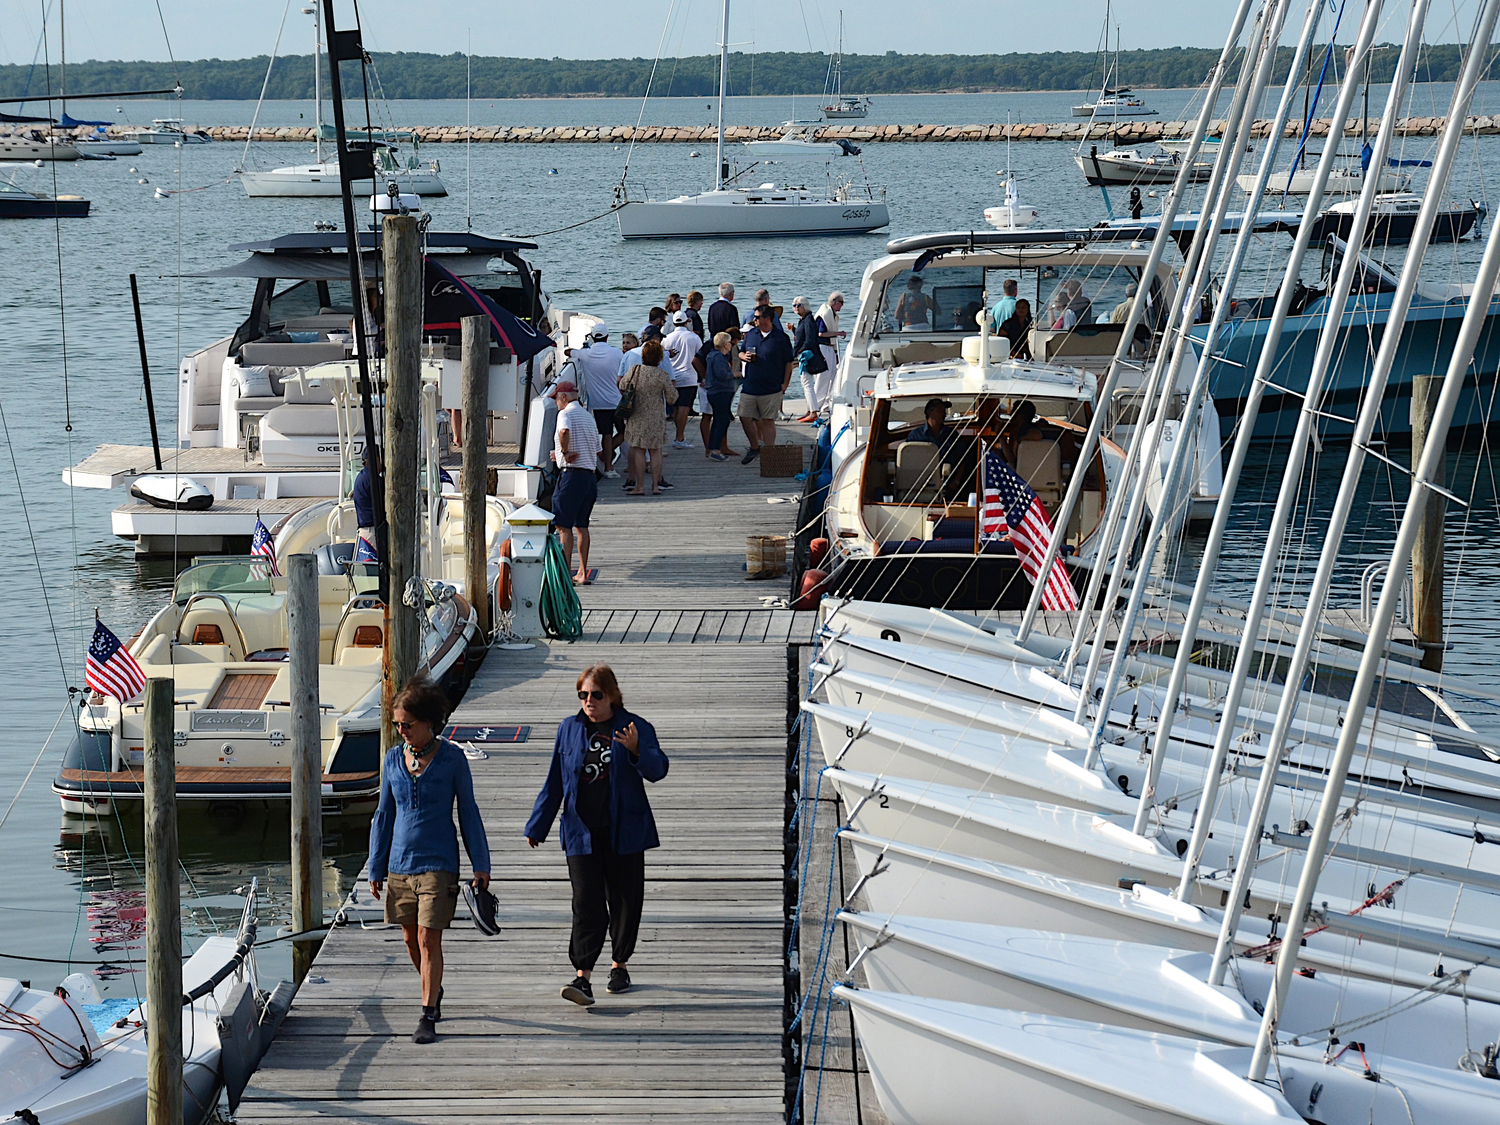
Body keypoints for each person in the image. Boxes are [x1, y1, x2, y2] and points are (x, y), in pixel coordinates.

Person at [526, 664, 669, 1007]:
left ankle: (619, 965)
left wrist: (636, 750)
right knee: (586, 903)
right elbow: (555, 782)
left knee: (625, 901)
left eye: (596, 695)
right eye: (583, 695)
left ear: (612, 696)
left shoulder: (634, 727)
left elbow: (658, 769)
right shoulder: (569, 729)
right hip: (580, 832)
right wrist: (537, 825)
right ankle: (583, 976)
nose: (589, 701)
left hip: (624, 830)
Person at [368, 677, 490, 1045]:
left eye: (408, 724)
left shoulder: (452, 759)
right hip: (399, 865)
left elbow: (468, 811)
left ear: (429, 723)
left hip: (439, 862)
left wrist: (480, 863)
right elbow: (384, 814)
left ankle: (427, 1013)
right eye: (397, 725)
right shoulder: (392, 759)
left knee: (427, 936)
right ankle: (433, 988)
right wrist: (376, 865)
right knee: (409, 938)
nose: (401, 731)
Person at [551, 381, 601, 585]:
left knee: (563, 526)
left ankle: (564, 573)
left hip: (572, 476)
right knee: (582, 526)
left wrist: (563, 452)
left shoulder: (565, 413)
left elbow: (564, 432)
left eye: (555, 398)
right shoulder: (588, 417)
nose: (555, 402)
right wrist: (560, 454)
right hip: (589, 476)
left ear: (563, 397)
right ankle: (581, 572)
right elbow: (597, 449)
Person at [737, 304, 795, 464]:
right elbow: (740, 351)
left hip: (771, 387)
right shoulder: (751, 334)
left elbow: (788, 363)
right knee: (744, 416)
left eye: (757, 317)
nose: (753, 319)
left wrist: (785, 385)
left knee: (768, 420)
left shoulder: (780, 338)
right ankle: (754, 446)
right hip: (750, 385)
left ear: (767, 319)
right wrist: (744, 356)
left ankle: (769, 452)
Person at [618, 339, 676, 495]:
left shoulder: (635, 370)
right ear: (659, 357)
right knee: (656, 450)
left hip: (637, 415)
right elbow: (672, 397)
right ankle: (656, 486)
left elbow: (622, 386)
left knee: (639, 450)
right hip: (656, 416)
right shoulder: (662, 375)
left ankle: (640, 486)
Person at [574, 324, 624, 477]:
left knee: (606, 434)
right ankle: (607, 457)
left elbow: (568, 352)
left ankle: (608, 463)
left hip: (598, 403)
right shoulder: (617, 353)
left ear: (593, 337)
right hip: (617, 400)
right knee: (626, 432)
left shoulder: (585, 354)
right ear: (607, 336)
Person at [663, 309, 705, 449]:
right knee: (684, 408)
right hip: (689, 377)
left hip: (672, 377)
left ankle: (678, 435)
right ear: (687, 322)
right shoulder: (693, 337)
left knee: (675, 408)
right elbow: (700, 356)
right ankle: (679, 438)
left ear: (673, 323)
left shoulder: (667, 339)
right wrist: (704, 376)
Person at [790, 296, 828, 423]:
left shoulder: (808, 320)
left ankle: (813, 412)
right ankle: (810, 409)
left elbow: (810, 339)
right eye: (794, 305)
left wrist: (800, 351)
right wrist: (794, 330)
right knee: (806, 383)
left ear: (804, 306)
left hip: (807, 356)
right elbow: (803, 336)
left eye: (798, 305)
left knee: (807, 384)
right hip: (803, 354)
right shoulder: (803, 320)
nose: (795, 308)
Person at [703, 332, 737, 462]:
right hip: (720, 391)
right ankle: (715, 450)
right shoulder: (717, 357)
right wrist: (735, 374)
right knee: (722, 420)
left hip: (718, 391)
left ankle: (712, 448)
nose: (731, 345)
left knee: (719, 420)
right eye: (729, 343)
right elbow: (721, 374)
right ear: (725, 344)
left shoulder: (714, 356)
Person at [813, 292, 845, 412]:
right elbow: (821, 333)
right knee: (824, 376)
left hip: (829, 347)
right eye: (841, 303)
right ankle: (817, 404)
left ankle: (827, 403)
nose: (842, 306)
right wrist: (839, 333)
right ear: (836, 303)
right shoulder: (825, 313)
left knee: (833, 374)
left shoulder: (832, 314)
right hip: (823, 346)